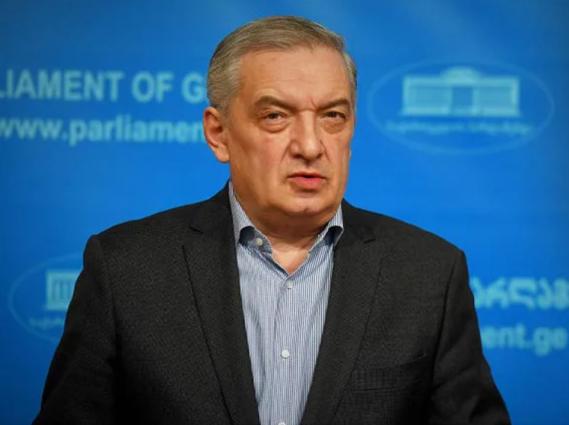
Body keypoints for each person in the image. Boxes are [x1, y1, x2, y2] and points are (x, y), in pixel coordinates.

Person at [34, 16, 510, 425]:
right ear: (218, 133)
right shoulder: (126, 269)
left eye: (333, 116)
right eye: (276, 116)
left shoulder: (429, 274)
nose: (310, 145)